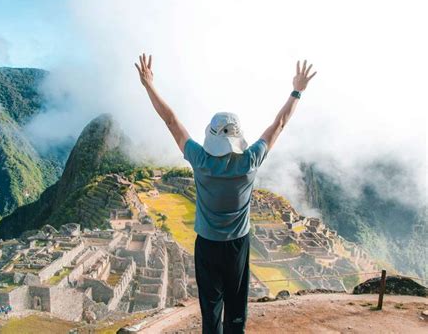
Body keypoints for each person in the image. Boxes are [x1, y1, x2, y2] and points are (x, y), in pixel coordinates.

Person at [135, 54, 317, 333]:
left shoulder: (201, 160)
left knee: (211, 311)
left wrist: (149, 86)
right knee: (236, 310)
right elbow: (279, 124)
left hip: (207, 244)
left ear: (211, 136)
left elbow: (171, 121)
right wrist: (297, 91)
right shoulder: (250, 161)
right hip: (237, 246)